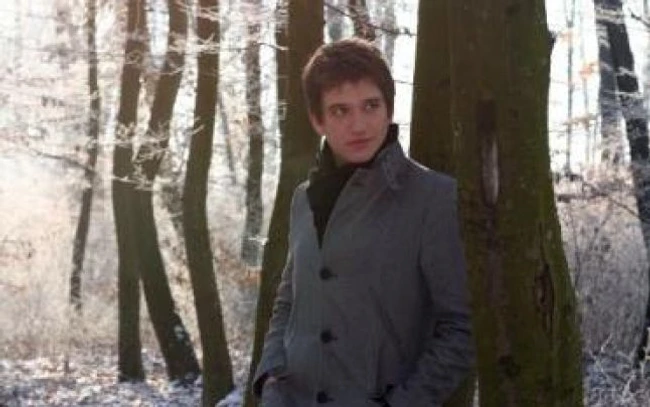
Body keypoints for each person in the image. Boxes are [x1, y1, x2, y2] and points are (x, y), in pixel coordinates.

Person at [253, 38, 475, 407]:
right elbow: (289, 300)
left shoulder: (434, 198)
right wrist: (272, 376)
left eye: (370, 106)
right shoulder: (304, 199)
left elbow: (462, 329)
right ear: (318, 120)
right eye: (340, 111)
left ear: (388, 110)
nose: (359, 125)